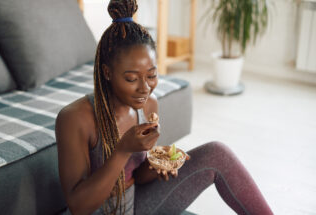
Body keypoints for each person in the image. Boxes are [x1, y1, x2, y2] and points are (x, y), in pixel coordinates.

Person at [55, 0, 273, 214]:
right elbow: (79, 206)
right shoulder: (75, 119)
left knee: (218, 153)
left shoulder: (149, 105)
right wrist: (123, 149)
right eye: (131, 78)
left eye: (151, 75)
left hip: (138, 203)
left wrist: (158, 165)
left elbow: (137, 176)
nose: (145, 88)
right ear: (107, 72)